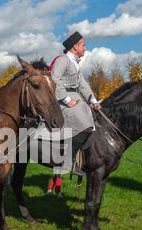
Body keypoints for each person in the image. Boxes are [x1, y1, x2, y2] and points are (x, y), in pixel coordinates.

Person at [50, 31, 101, 175]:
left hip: (75, 97)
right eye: (83, 45)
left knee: (92, 122)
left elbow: (83, 85)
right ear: (75, 47)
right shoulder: (63, 60)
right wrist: (66, 99)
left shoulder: (75, 64)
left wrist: (93, 101)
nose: (85, 48)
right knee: (85, 126)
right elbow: (55, 80)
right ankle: (68, 161)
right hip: (61, 99)